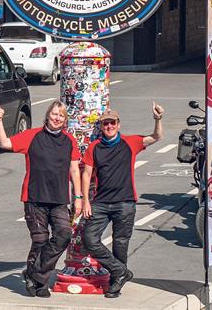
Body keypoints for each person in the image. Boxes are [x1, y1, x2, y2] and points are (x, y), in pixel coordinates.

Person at [0, 101, 82, 298]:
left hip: (59, 199)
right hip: (35, 197)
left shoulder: (69, 140)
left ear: (65, 120)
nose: (57, 118)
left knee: (63, 235)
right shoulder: (33, 136)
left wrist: (78, 197)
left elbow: (75, 170)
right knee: (41, 239)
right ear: (48, 115)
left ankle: (35, 274)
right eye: (54, 114)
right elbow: (5, 143)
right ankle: (40, 283)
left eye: (61, 115)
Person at [81, 103, 164, 298]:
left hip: (125, 202)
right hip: (100, 202)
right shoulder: (94, 147)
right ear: (101, 126)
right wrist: (85, 200)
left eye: (112, 123)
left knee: (121, 242)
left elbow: (156, 137)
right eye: (105, 123)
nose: (109, 126)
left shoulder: (130, 142)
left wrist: (158, 119)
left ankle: (115, 282)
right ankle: (121, 271)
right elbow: (86, 175)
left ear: (118, 125)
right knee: (89, 240)